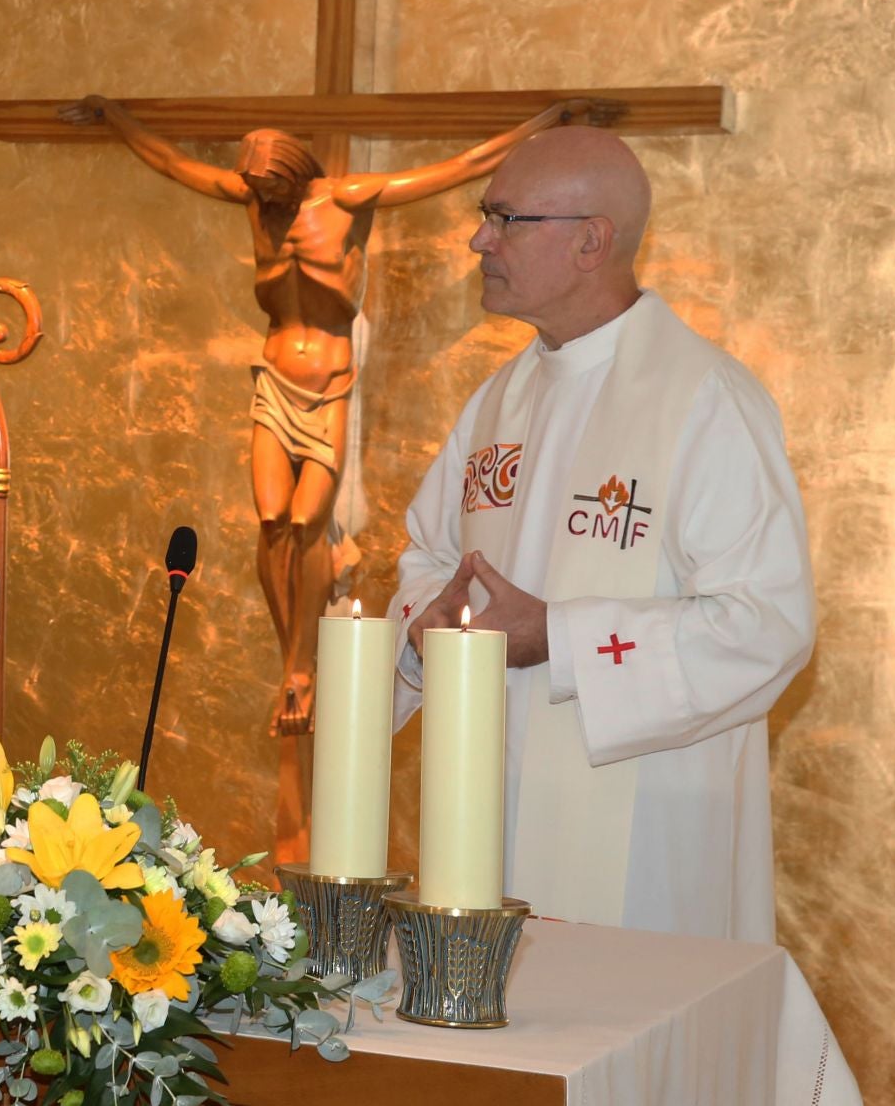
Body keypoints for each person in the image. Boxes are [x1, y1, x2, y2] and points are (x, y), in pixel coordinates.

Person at [57, 93, 598, 859]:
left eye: (263, 182)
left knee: (310, 522)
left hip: (330, 384)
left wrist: (546, 121)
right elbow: (179, 165)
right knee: (274, 521)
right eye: (249, 185)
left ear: (288, 171)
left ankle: (302, 669)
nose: (254, 194)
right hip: (273, 380)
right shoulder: (255, 205)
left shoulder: (346, 200)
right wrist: (115, 119)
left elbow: (462, 165)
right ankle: (294, 660)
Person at [390, 126, 814, 943]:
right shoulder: (496, 402)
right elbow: (427, 555)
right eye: (486, 215)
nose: (479, 239)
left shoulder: (705, 400)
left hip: (648, 841)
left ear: (592, 240)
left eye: (506, 217)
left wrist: (557, 634)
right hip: (483, 821)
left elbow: (769, 624)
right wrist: (425, 624)